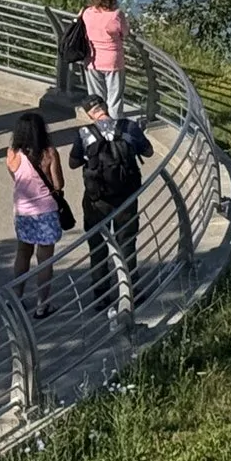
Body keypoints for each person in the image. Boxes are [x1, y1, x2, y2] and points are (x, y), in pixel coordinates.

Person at [69, 99, 153, 323]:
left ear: (89, 114)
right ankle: (131, 288)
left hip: (97, 200)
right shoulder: (129, 127)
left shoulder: (85, 133)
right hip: (126, 197)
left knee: (97, 247)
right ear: (107, 108)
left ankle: (101, 295)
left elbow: (73, 162)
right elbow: (149, 151)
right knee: (127, 243)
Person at [5, 112, 65, 318]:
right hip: (46, 211)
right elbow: (58, 184)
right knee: (45, 259)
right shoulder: (49, 153)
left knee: (22, 254)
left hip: (23, 211)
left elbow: (15, 176)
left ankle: (16, 298)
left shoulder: (12, 153)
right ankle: (42, 304)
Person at [80, 0, 126, 119]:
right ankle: (116, 129)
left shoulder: (87, 13)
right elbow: (125, 32)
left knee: (96, 99)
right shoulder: (116, 15)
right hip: (113, 61)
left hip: (92, 60)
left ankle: (101, 127)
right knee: (114, 99)